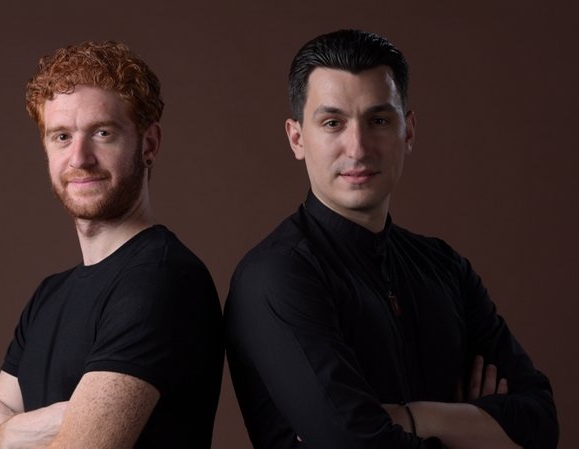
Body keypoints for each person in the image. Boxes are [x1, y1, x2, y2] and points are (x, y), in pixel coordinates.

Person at [224, 29, 558, 449]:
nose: (358, 148)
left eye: (378, 120)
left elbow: (541, 424)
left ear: (409, 131)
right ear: (297, 138)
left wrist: (408, 417)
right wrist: (475, 425)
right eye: (332, 123)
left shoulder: (444, 266)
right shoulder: (274, 276)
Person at [0, 41, 223, 449]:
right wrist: (24, 429)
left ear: (149, 144)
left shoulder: (162, 280)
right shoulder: (48, 297)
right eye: (62, 136)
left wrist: (1, 435)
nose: (79, 158)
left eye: (102, 133)